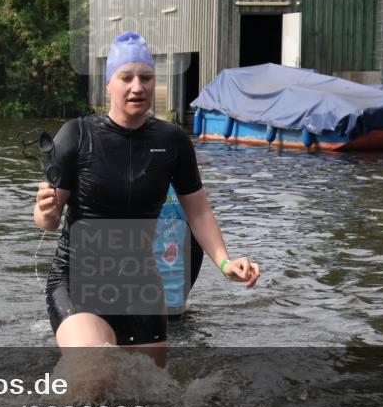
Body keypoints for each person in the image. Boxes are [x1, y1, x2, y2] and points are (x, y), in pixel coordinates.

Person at [33, 31, 259, 362]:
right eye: (126, 77)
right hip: (79, 277)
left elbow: (197, 212)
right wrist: (47, 212)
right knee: (92, 368)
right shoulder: (77, 135)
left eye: (146, 77)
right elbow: (47, 221)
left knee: (149, 395)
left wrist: (225, 262)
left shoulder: (172, 141)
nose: (137, 86)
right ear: (108, 84)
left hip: (140, 283)